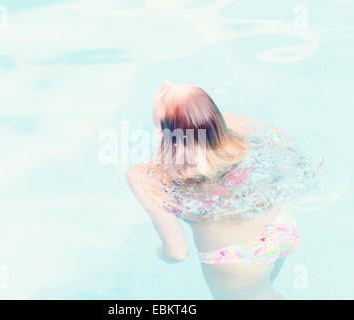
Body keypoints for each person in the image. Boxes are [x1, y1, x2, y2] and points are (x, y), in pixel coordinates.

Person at [126, 81, 302, 300]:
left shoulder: (144, 175)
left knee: (260, 292)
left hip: (235, 258)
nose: (165, 84)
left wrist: (161, 253)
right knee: (262, 290)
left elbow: (178, 252)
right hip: (280, 226)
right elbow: (286, 145)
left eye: (163, 95)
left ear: (162, 132)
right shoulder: (235, 126)